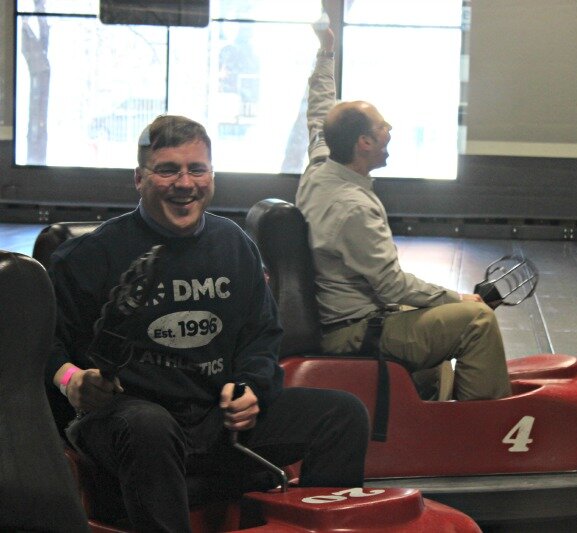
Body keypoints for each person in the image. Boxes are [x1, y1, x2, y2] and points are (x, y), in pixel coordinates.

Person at [45, 115, 370, 532]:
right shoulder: (87, 256)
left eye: (197, 169)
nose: (185, 183)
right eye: (168, 170)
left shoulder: (233, 245)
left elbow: (261, 337)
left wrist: (251, 389)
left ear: (211, 175)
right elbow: (44, 350)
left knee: (342, 414)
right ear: (139, 178)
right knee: (149, 424)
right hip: (126, 419)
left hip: (214, 416)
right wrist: (72, 378)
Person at [295, 27, 511, 402]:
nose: (389, 129)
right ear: (364, 143)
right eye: (382, 127)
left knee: (435, 311)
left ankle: (428, 407)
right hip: (354, 330)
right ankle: (479, 432)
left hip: (346, 316)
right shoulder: (354, 208)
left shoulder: (320, 164)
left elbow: (319, 110)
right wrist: (458, 298)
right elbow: (393, 286)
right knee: (477, 321)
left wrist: (325, 54)